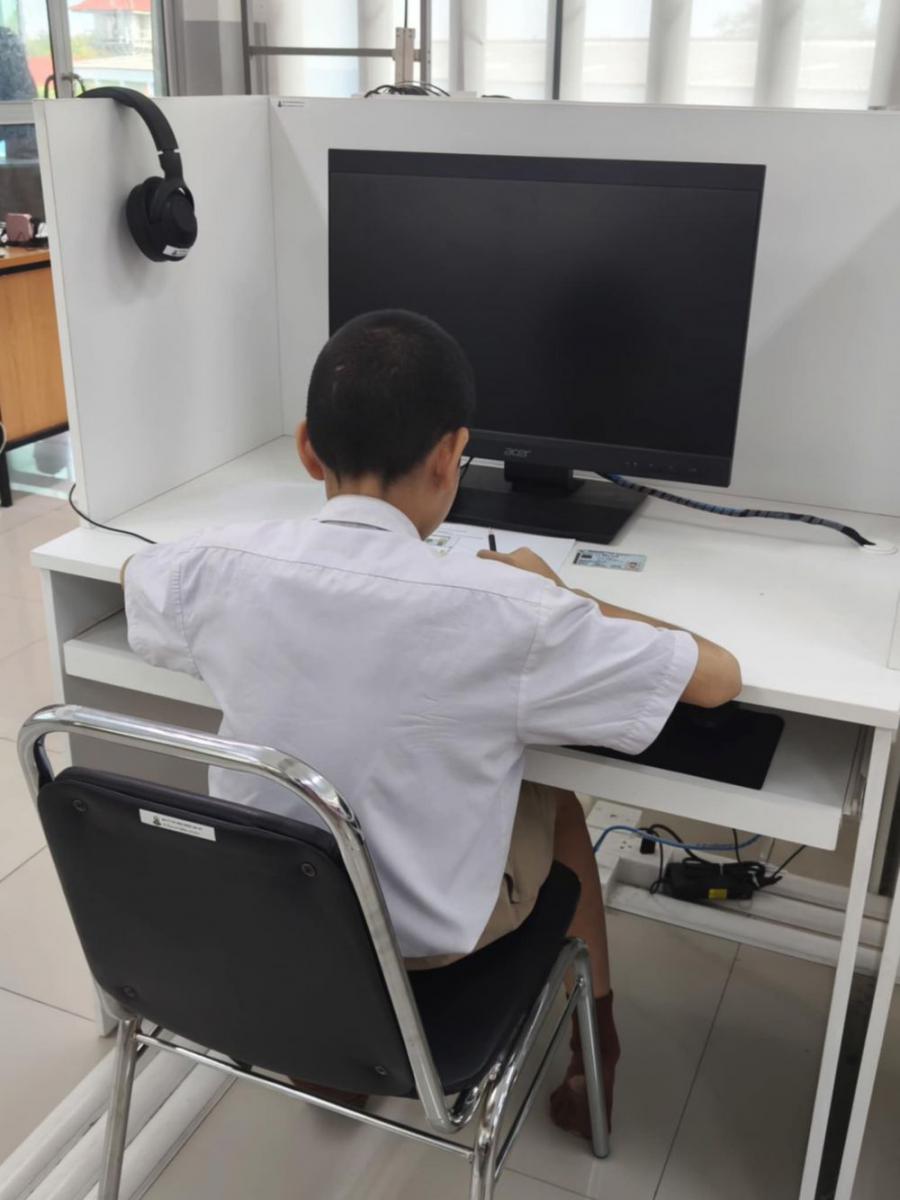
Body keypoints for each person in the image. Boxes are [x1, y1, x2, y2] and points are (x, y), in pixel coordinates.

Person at [123, 309, 741, 1136]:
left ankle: (333, 1061)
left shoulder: (215, 565)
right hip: (430, 949)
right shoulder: (509, 611)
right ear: (452, 455)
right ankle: (597, 1043)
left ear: (307, 449)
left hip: (268, 923)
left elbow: (134, 578)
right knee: (554, 796)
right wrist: (558, 591)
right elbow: (717, 679)